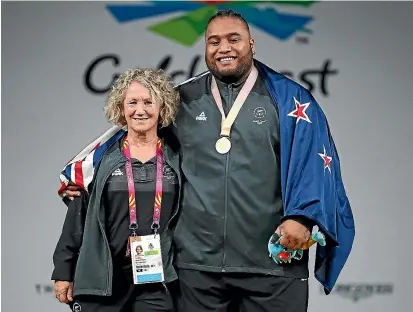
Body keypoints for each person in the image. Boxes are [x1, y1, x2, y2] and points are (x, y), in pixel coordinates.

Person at [59, 9, 355, 312]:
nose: (223, 48)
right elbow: (133, 137)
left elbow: (316, 166)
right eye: (213, 42)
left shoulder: (290, 100)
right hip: (196, 271)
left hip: (272, 268)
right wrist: (86, 175)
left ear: (252, 44)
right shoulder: (182, 99)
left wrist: (303, 218)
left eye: (233, 39)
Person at [52, 68, 182, 312]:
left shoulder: (178, 159)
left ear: (162, 107)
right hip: (105, 276)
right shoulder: (99, 161)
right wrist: (63, 271)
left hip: (156, 279)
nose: (140, 110)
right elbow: (77, 218)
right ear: (121, 108)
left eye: (148, 102)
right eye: (132, 102)